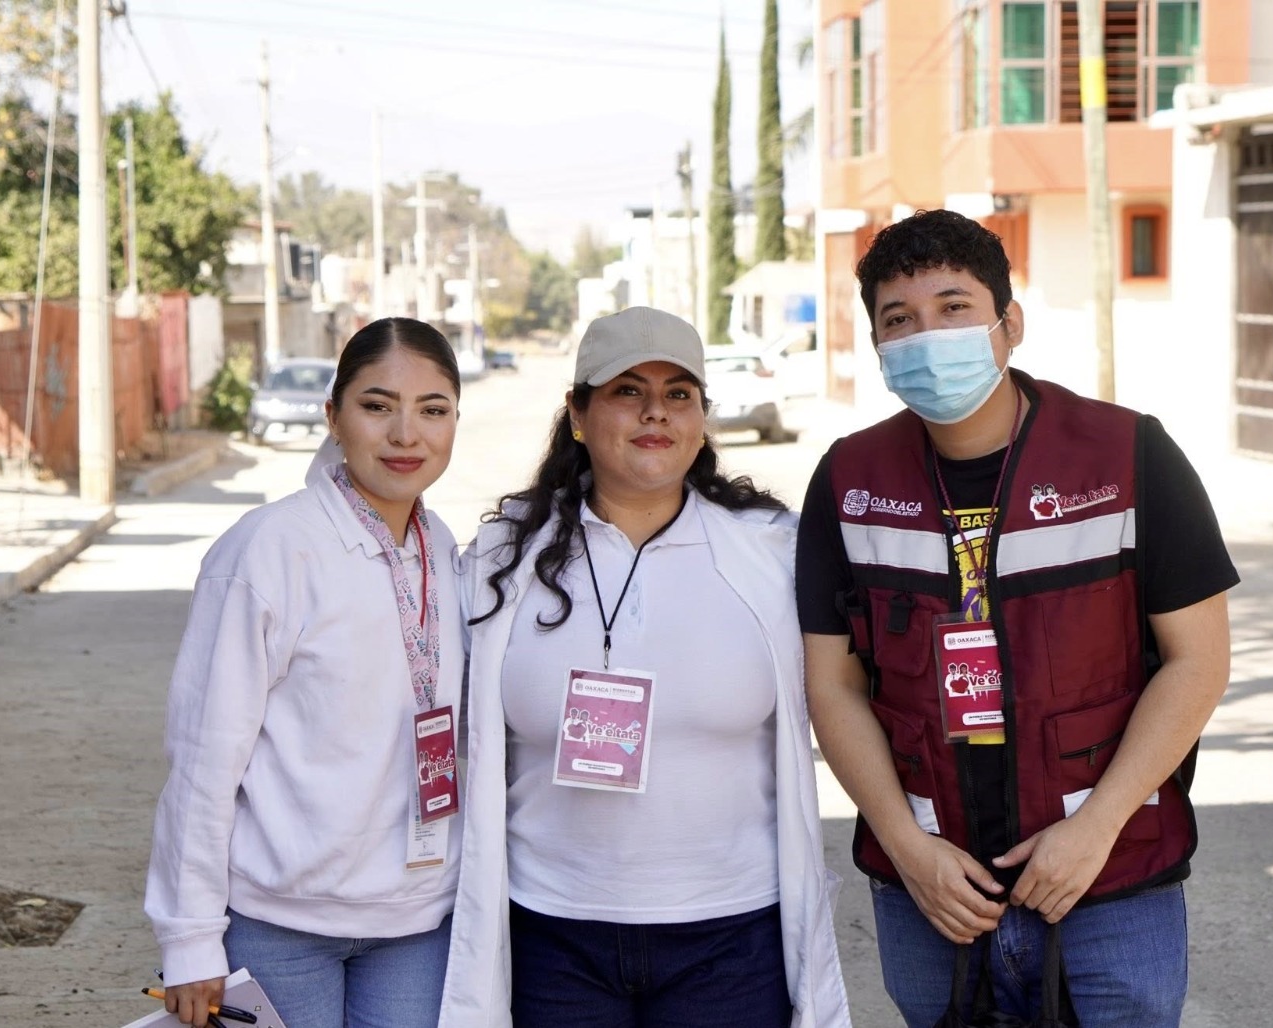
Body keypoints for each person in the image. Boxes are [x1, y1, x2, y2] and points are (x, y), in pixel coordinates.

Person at [796, 210, 1237, 1027]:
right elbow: (832, 685)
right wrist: (906, 848)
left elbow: (1199, 661)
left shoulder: (1129, 455)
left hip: (1107, 878)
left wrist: (1095, 828)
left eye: (953, 307)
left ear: (1009, 325)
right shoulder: (848, 481)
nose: (927, 334)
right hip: (930, 890)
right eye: (900, 320)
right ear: (879, 346)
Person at [440, 306, 850, 1028]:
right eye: (628, 390)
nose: (655, 412)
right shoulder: (505, 558)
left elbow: (852, 693)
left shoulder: (770, 552)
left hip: (730, 937)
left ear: (702, 415)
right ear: (577, 412)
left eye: (679, 393)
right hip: (551, 934)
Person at [145, 318, 467, 1028]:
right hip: (278, 924)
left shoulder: (443, 548)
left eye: (433, 410)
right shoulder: (267, 552)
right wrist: (191, 935)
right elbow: (204, 759)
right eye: (377, 405)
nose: (406, 434)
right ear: (333, 415)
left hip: (416, 924)